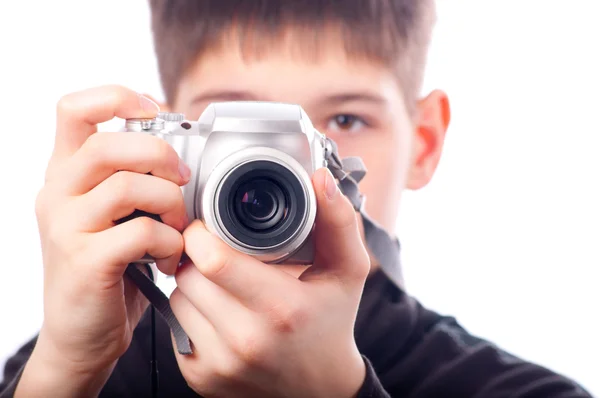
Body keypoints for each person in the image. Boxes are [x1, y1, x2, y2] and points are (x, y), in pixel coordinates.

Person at [0, 1, 593, 397]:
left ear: (424, 143)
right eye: (237, 128)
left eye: (344, 119)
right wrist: (66, 369)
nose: (281, 166)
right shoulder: (80, 364)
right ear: (168, 140)